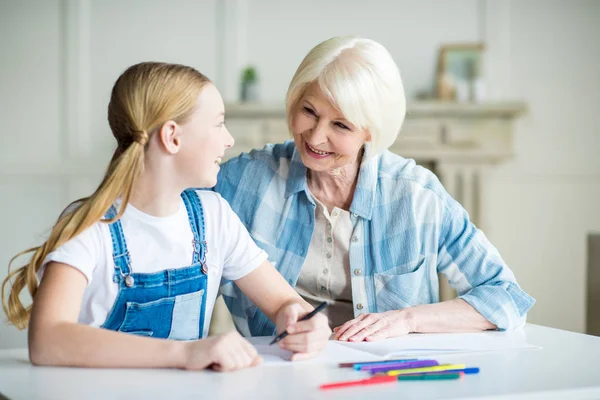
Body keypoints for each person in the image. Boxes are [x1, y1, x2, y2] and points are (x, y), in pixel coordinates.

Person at [1, 62, 331, 371]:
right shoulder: (90, 225)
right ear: (172, 137)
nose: (229, 140)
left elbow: (285, 302)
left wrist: (298, 317)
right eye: (218, 124)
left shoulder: (214, 217)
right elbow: (46, 341)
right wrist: (185, 353)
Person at [214, 36, 535, 342]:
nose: (315, 137)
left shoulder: (416, 196)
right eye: (309, 111)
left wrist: (408, 320)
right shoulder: (244, 181)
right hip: (280, 372)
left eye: (341, 125)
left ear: (371, 131)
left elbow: (504, 296)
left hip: (390, 378)